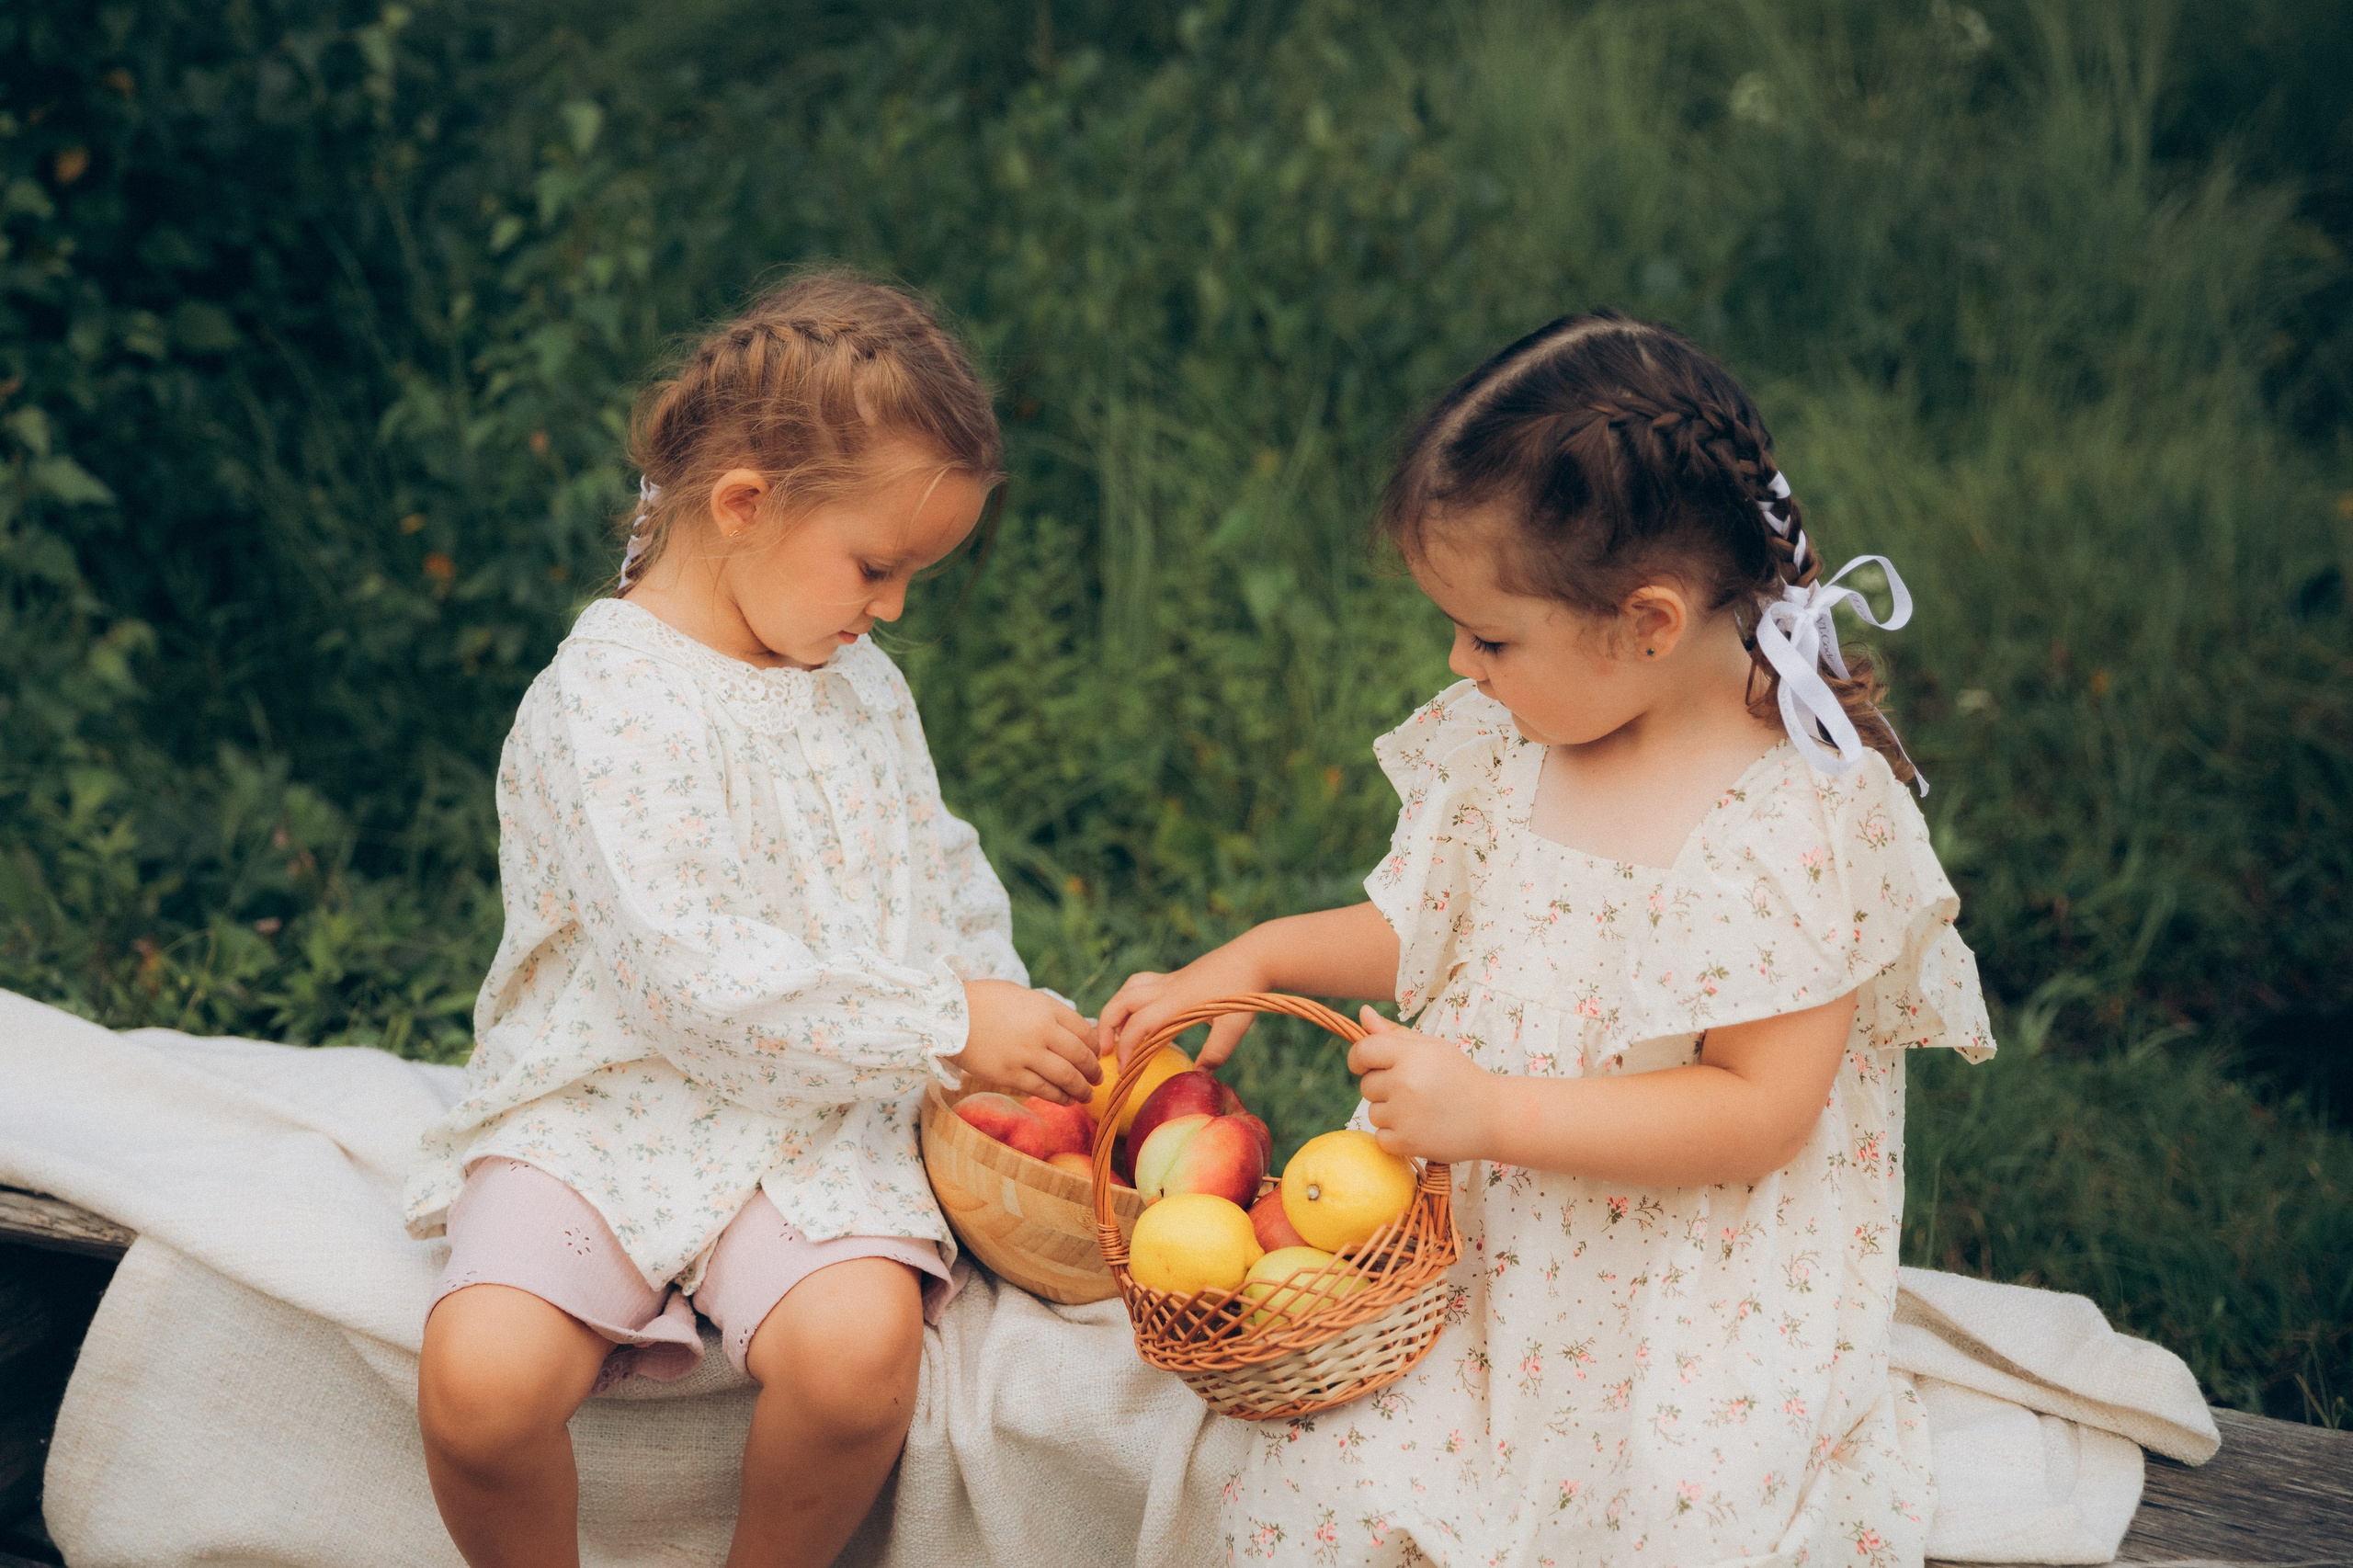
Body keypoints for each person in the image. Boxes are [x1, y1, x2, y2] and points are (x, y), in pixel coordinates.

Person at [1101, 311, 1995, 1567]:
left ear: (1647, 623)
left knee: (1671, 1517)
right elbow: (1432, 927)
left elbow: (1759, 1110)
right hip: (1486, 1249)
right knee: (1306, 1491)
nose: (1459, 661)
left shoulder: (1796, 822)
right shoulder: (1516, 740)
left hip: (1687, 1287)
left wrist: (1493, 1113)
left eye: (1490, 634)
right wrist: (1260, 953)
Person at [402, 273, 1098, 1568]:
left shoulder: (857, 680)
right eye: (876, 567)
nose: (891, 608)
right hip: (610, 1101)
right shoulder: (608, 703)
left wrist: (1005, 1036)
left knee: (857, 1359)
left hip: (817, 1118)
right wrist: (947, 1022)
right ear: (743, 504)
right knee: (482, 1388)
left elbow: (935, 867)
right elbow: (686, 977)